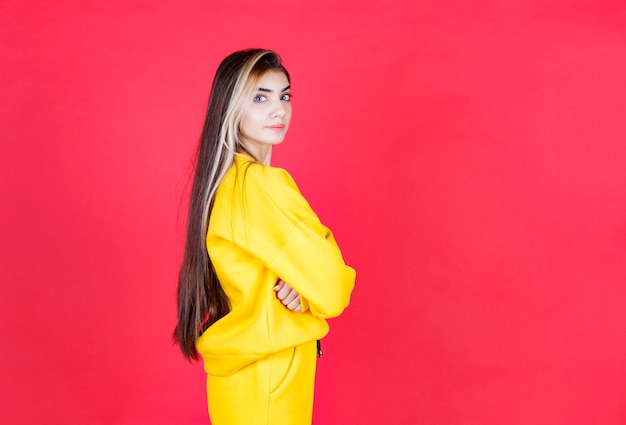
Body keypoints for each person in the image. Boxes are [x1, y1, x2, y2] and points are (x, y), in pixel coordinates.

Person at [174, 49, 356, 425]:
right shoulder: (259, 185)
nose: (279, 110)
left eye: (284, 96)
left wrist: (304, 286)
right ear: (230, 108)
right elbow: (334, 285)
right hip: (271, 378)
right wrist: (314, 277)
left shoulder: (226, 184)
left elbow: (307, 281)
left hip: (244, 380)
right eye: (260, 97)